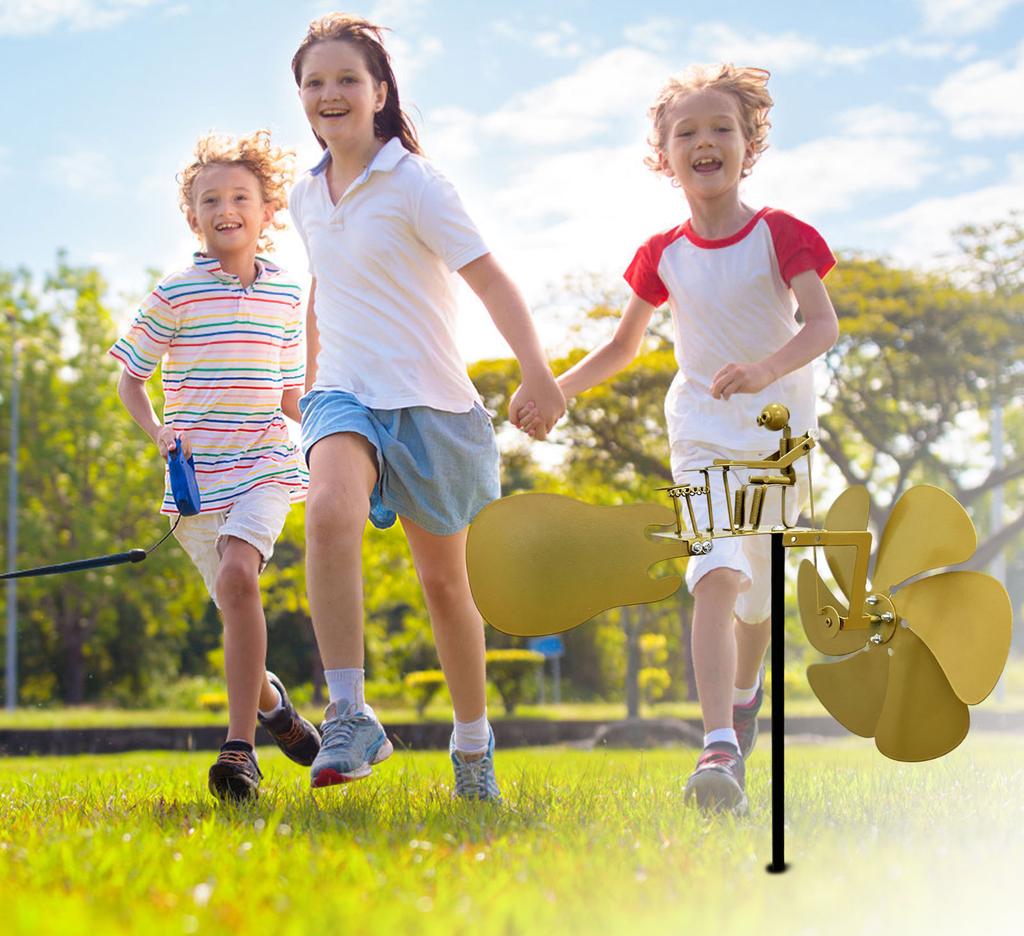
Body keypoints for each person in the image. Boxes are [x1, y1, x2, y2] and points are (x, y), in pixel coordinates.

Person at [540, 65, 839, 813]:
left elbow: (823, 325)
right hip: (701, 430)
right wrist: (557, 389)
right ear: (663, 155)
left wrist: (768, 367)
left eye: (721, 129)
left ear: (749, 144)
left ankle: (742, 696)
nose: (705, 142)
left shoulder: (783, 234)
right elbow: (622, 347)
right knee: (714, 571)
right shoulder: (660, 254)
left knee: (756, 601)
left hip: (777, 437)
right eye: (687, 133)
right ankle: (718, 744)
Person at [288, 13, 564, 799]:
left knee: (448, 587)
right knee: (328, 509)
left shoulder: (416, 183)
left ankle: (472, 752)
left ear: (380, 92)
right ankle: (349, 712)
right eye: (315, 83)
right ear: (302, 100)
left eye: (347, 79)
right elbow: (322, 290)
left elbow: (490, 279)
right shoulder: (309, 197)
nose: (331, 93)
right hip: (345, 393)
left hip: (434, 406)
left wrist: (537, 372)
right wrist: (306, 383)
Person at [110, 130, 321, 802]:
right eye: (210, 200)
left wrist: (332, 427)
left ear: (267, 210)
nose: (226, 207)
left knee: (239, 577)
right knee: (236, 606)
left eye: (240, 197)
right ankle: (275, 708)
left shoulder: (289, 293)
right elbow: (131, 379)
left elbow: (290, 390)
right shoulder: (175, 293)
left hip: (264, 463)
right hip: (195, 482)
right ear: (193, 217)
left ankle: (239, 751)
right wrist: (158, 430)